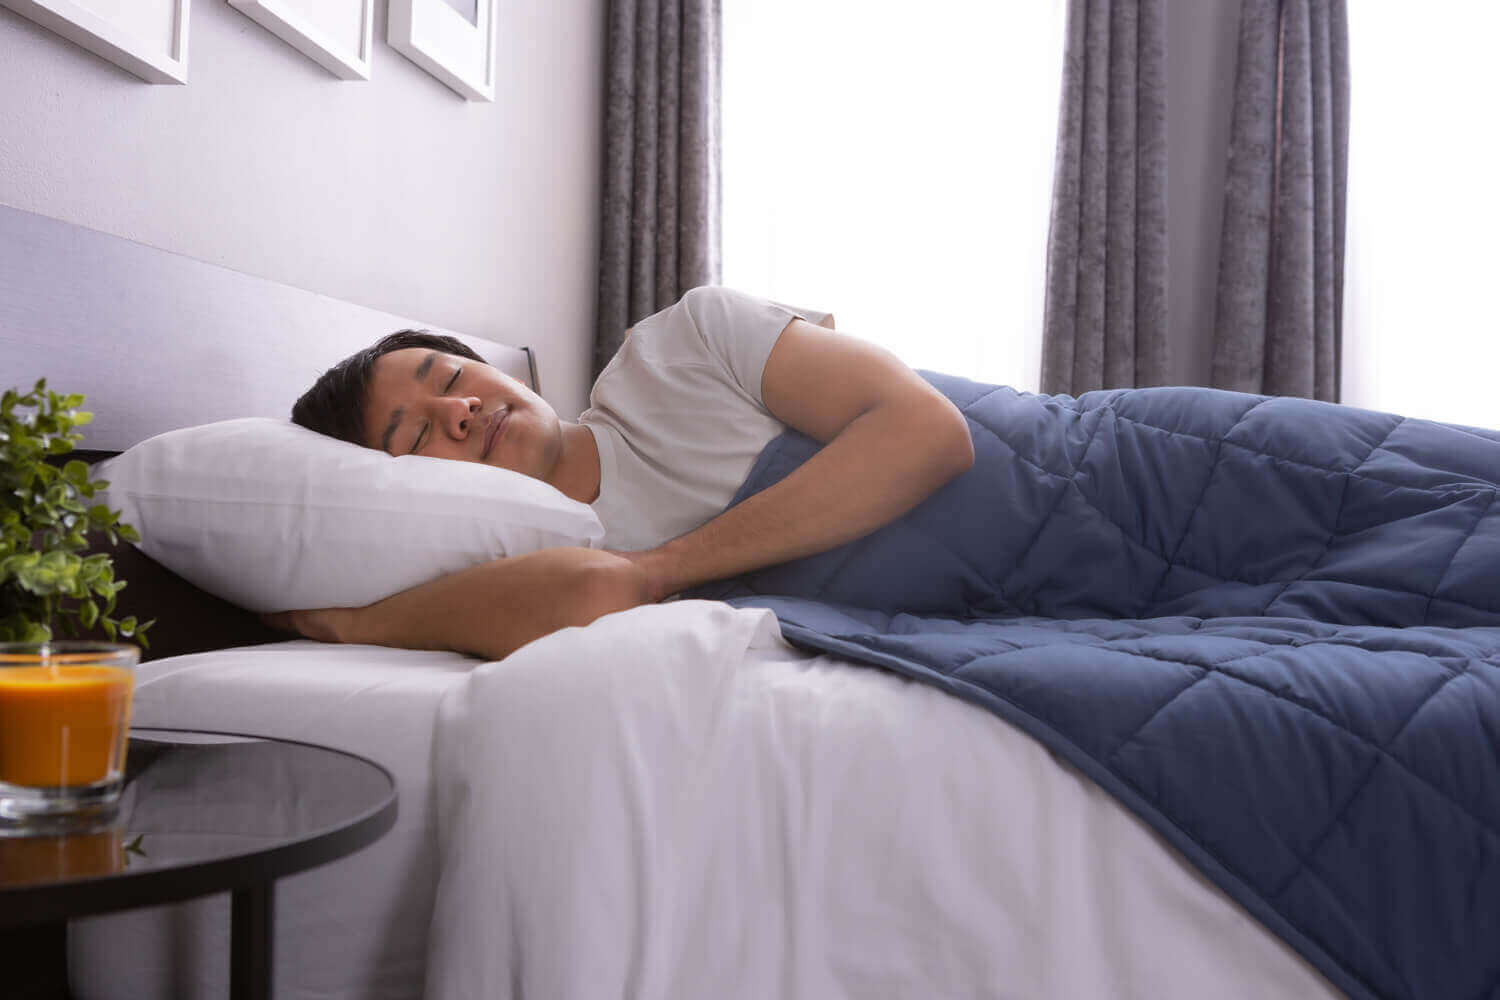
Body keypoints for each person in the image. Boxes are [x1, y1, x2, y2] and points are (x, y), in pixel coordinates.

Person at [273, 286, 974, 660]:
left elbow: (930, 432)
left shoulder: (682, 344)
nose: (460, 408)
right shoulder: (534, 573)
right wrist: (356, 625)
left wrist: (664, 567)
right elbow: (590, 590)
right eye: (420, 432)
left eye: (453, 374)